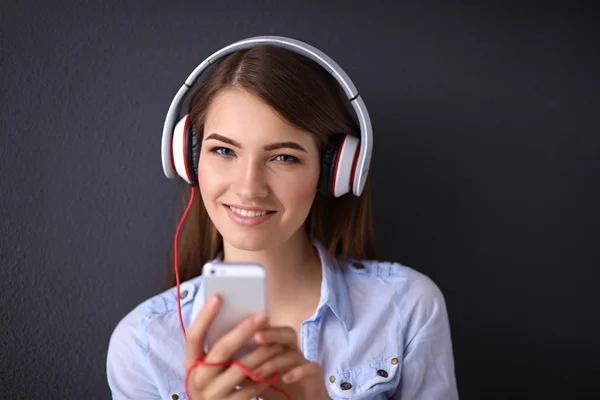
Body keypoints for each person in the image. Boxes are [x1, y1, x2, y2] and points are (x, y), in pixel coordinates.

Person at [106, 37, 459, 400]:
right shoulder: (142, 344)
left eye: (283, 157)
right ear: (190, 160)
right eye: (223, 150)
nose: (249, 189)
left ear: (333, 172)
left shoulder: (407, 308)